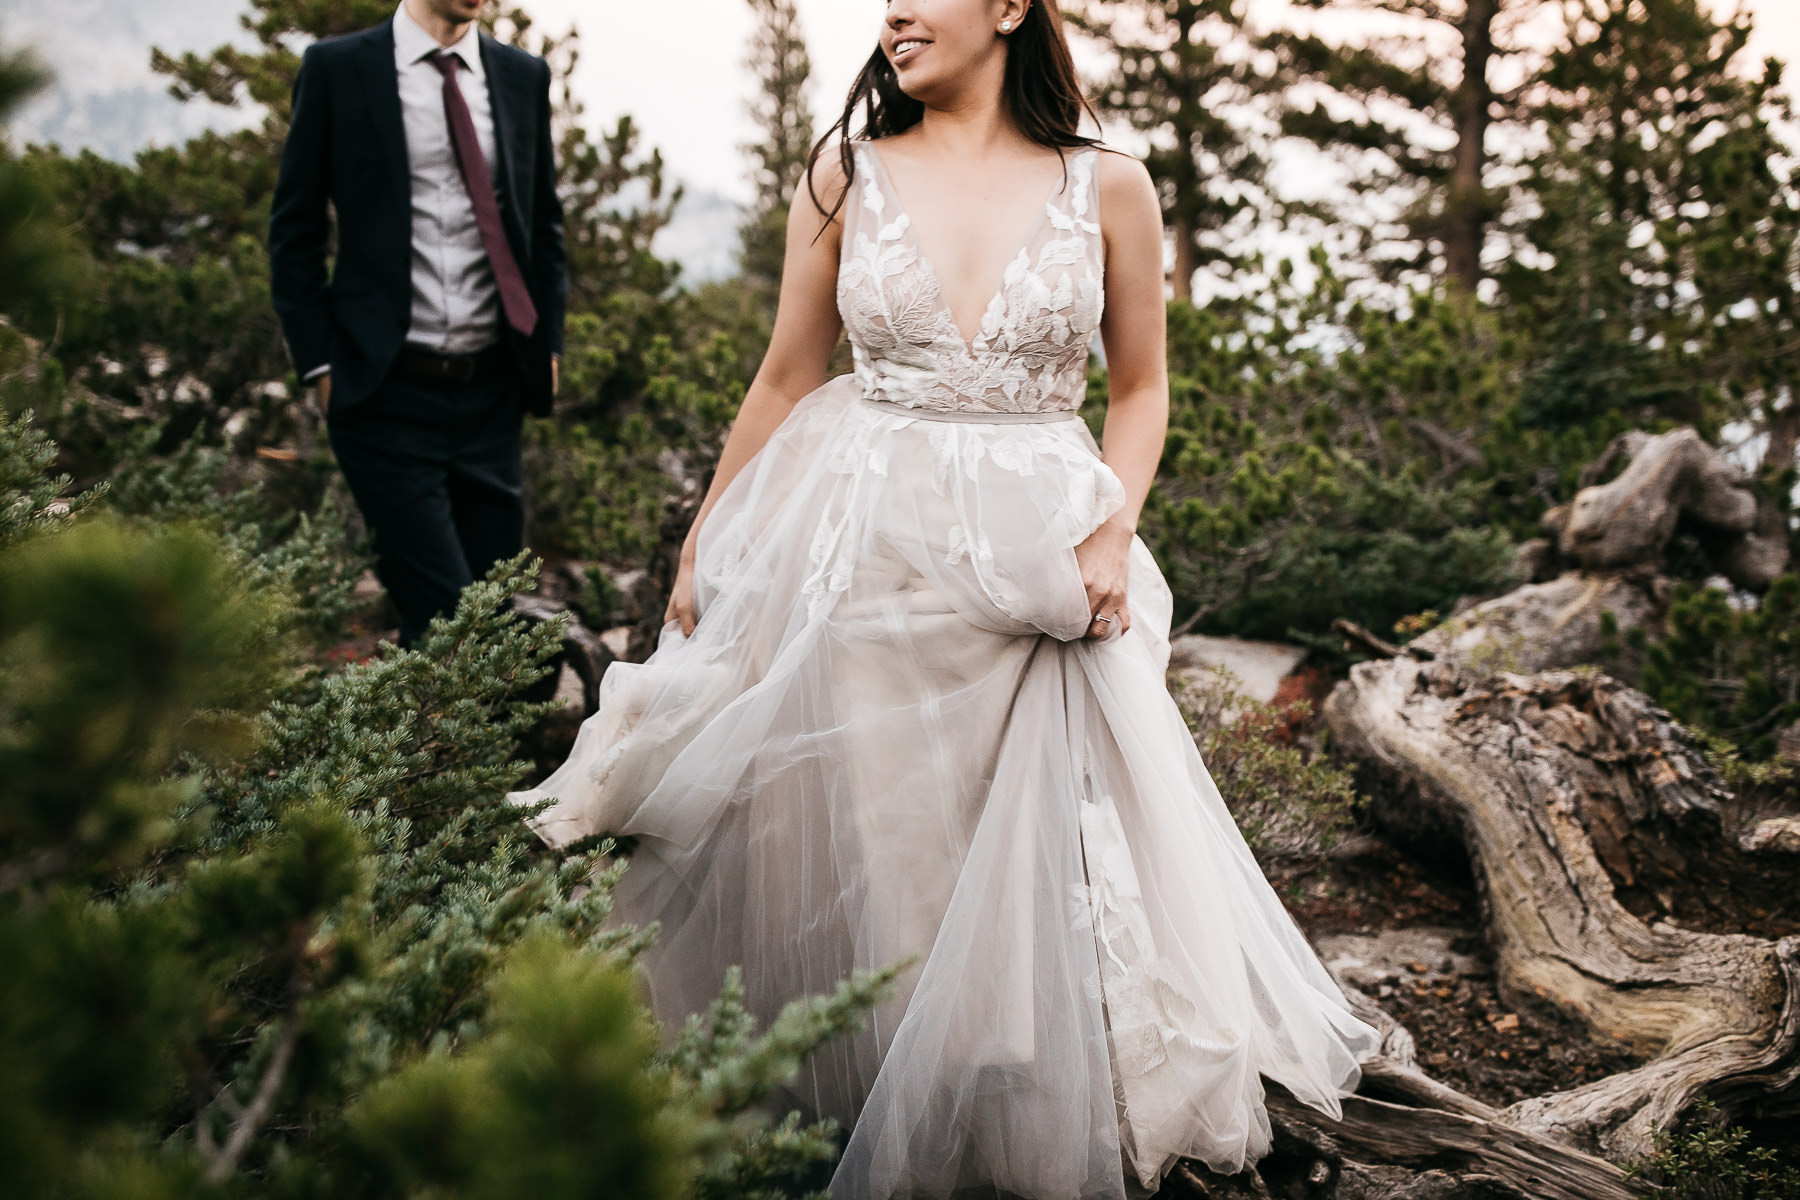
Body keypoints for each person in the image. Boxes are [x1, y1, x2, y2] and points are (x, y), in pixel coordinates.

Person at [509, 2, 1380, 1195]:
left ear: (1011, 5)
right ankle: (890, 1122)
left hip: (1041, 552)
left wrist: (1113, 530)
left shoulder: (1110, 185)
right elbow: (784, 374)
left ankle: (1019, 1118)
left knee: (1038, 848)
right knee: (891, 848)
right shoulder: (844, 172)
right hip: (862, 539)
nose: (894, 14)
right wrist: (709, 533)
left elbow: (1140, 390)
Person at [269, 0, 566, 648]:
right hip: (384, 393)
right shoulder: (338, 69)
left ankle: (451, 749)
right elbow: (294, 232)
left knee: (491, 610)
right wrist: (319, 367)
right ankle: (414, 748)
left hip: (493, 393)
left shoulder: (522, 75)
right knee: (441, 615)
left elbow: (543, 223)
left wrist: (549, 345)